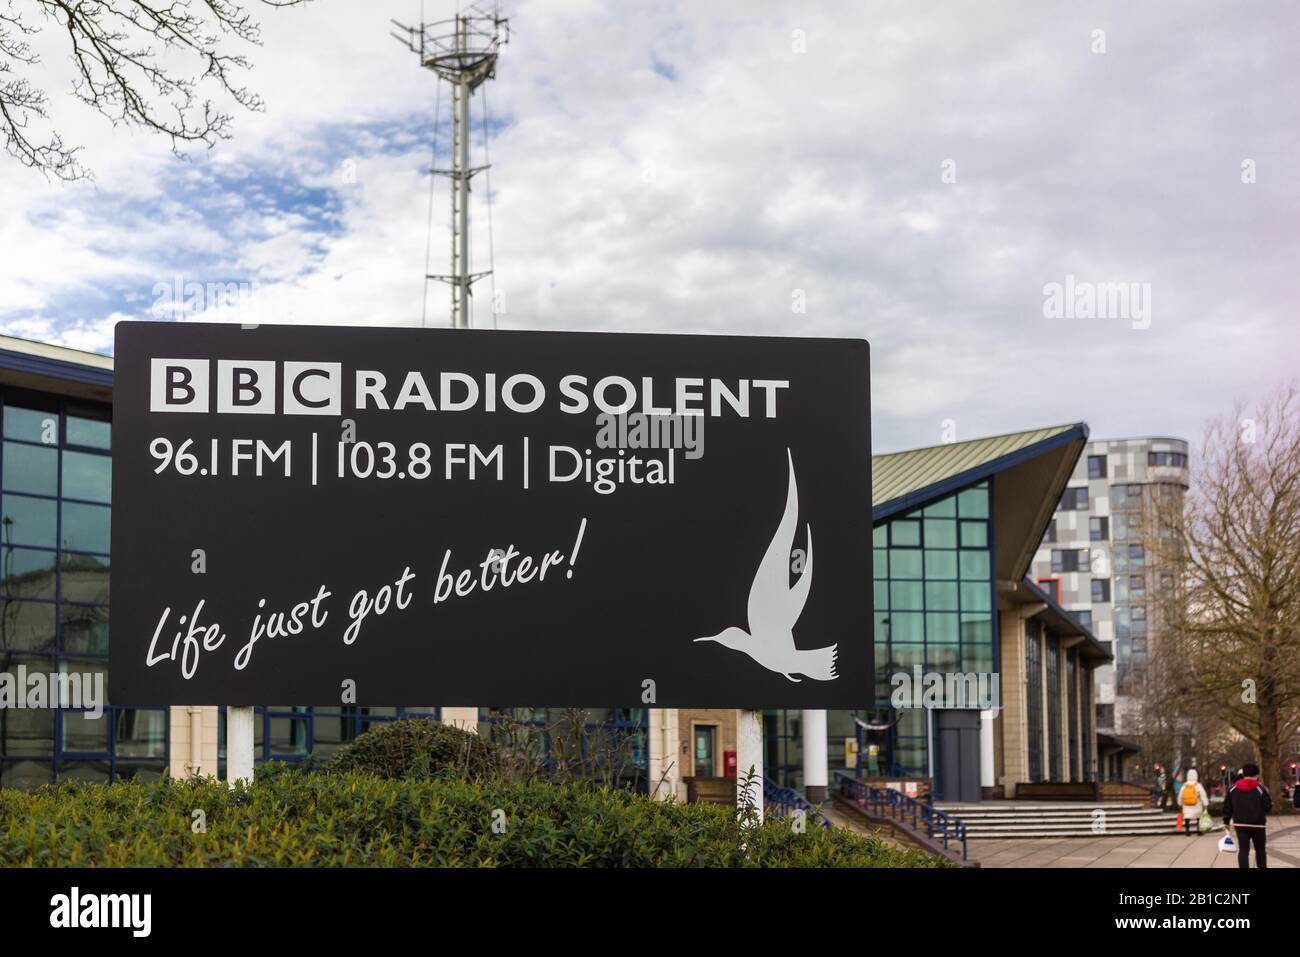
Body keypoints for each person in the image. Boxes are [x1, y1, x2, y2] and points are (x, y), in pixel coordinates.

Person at [1223, 762, 1272, 868]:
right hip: (1258, 825)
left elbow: (1227, 808)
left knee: (1243, 851)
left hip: (1241, 825)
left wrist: (1226, 822)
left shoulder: (1233, 789)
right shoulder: (1261, 788)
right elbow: (1268, 807)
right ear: (1257, 775)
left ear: (1243, 774)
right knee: (1260, 850)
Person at [1179, 768, 1210, 836]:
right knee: (1198, 818)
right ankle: (1199, 831)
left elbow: (1180, 795)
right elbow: (1203, 795)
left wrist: (1180, 803)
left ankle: (1187, 831)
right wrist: (1205, 803)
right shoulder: (1198, 785)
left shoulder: (1184, 785)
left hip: (1186, 805)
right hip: (1197, 804)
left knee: (1187, 818)